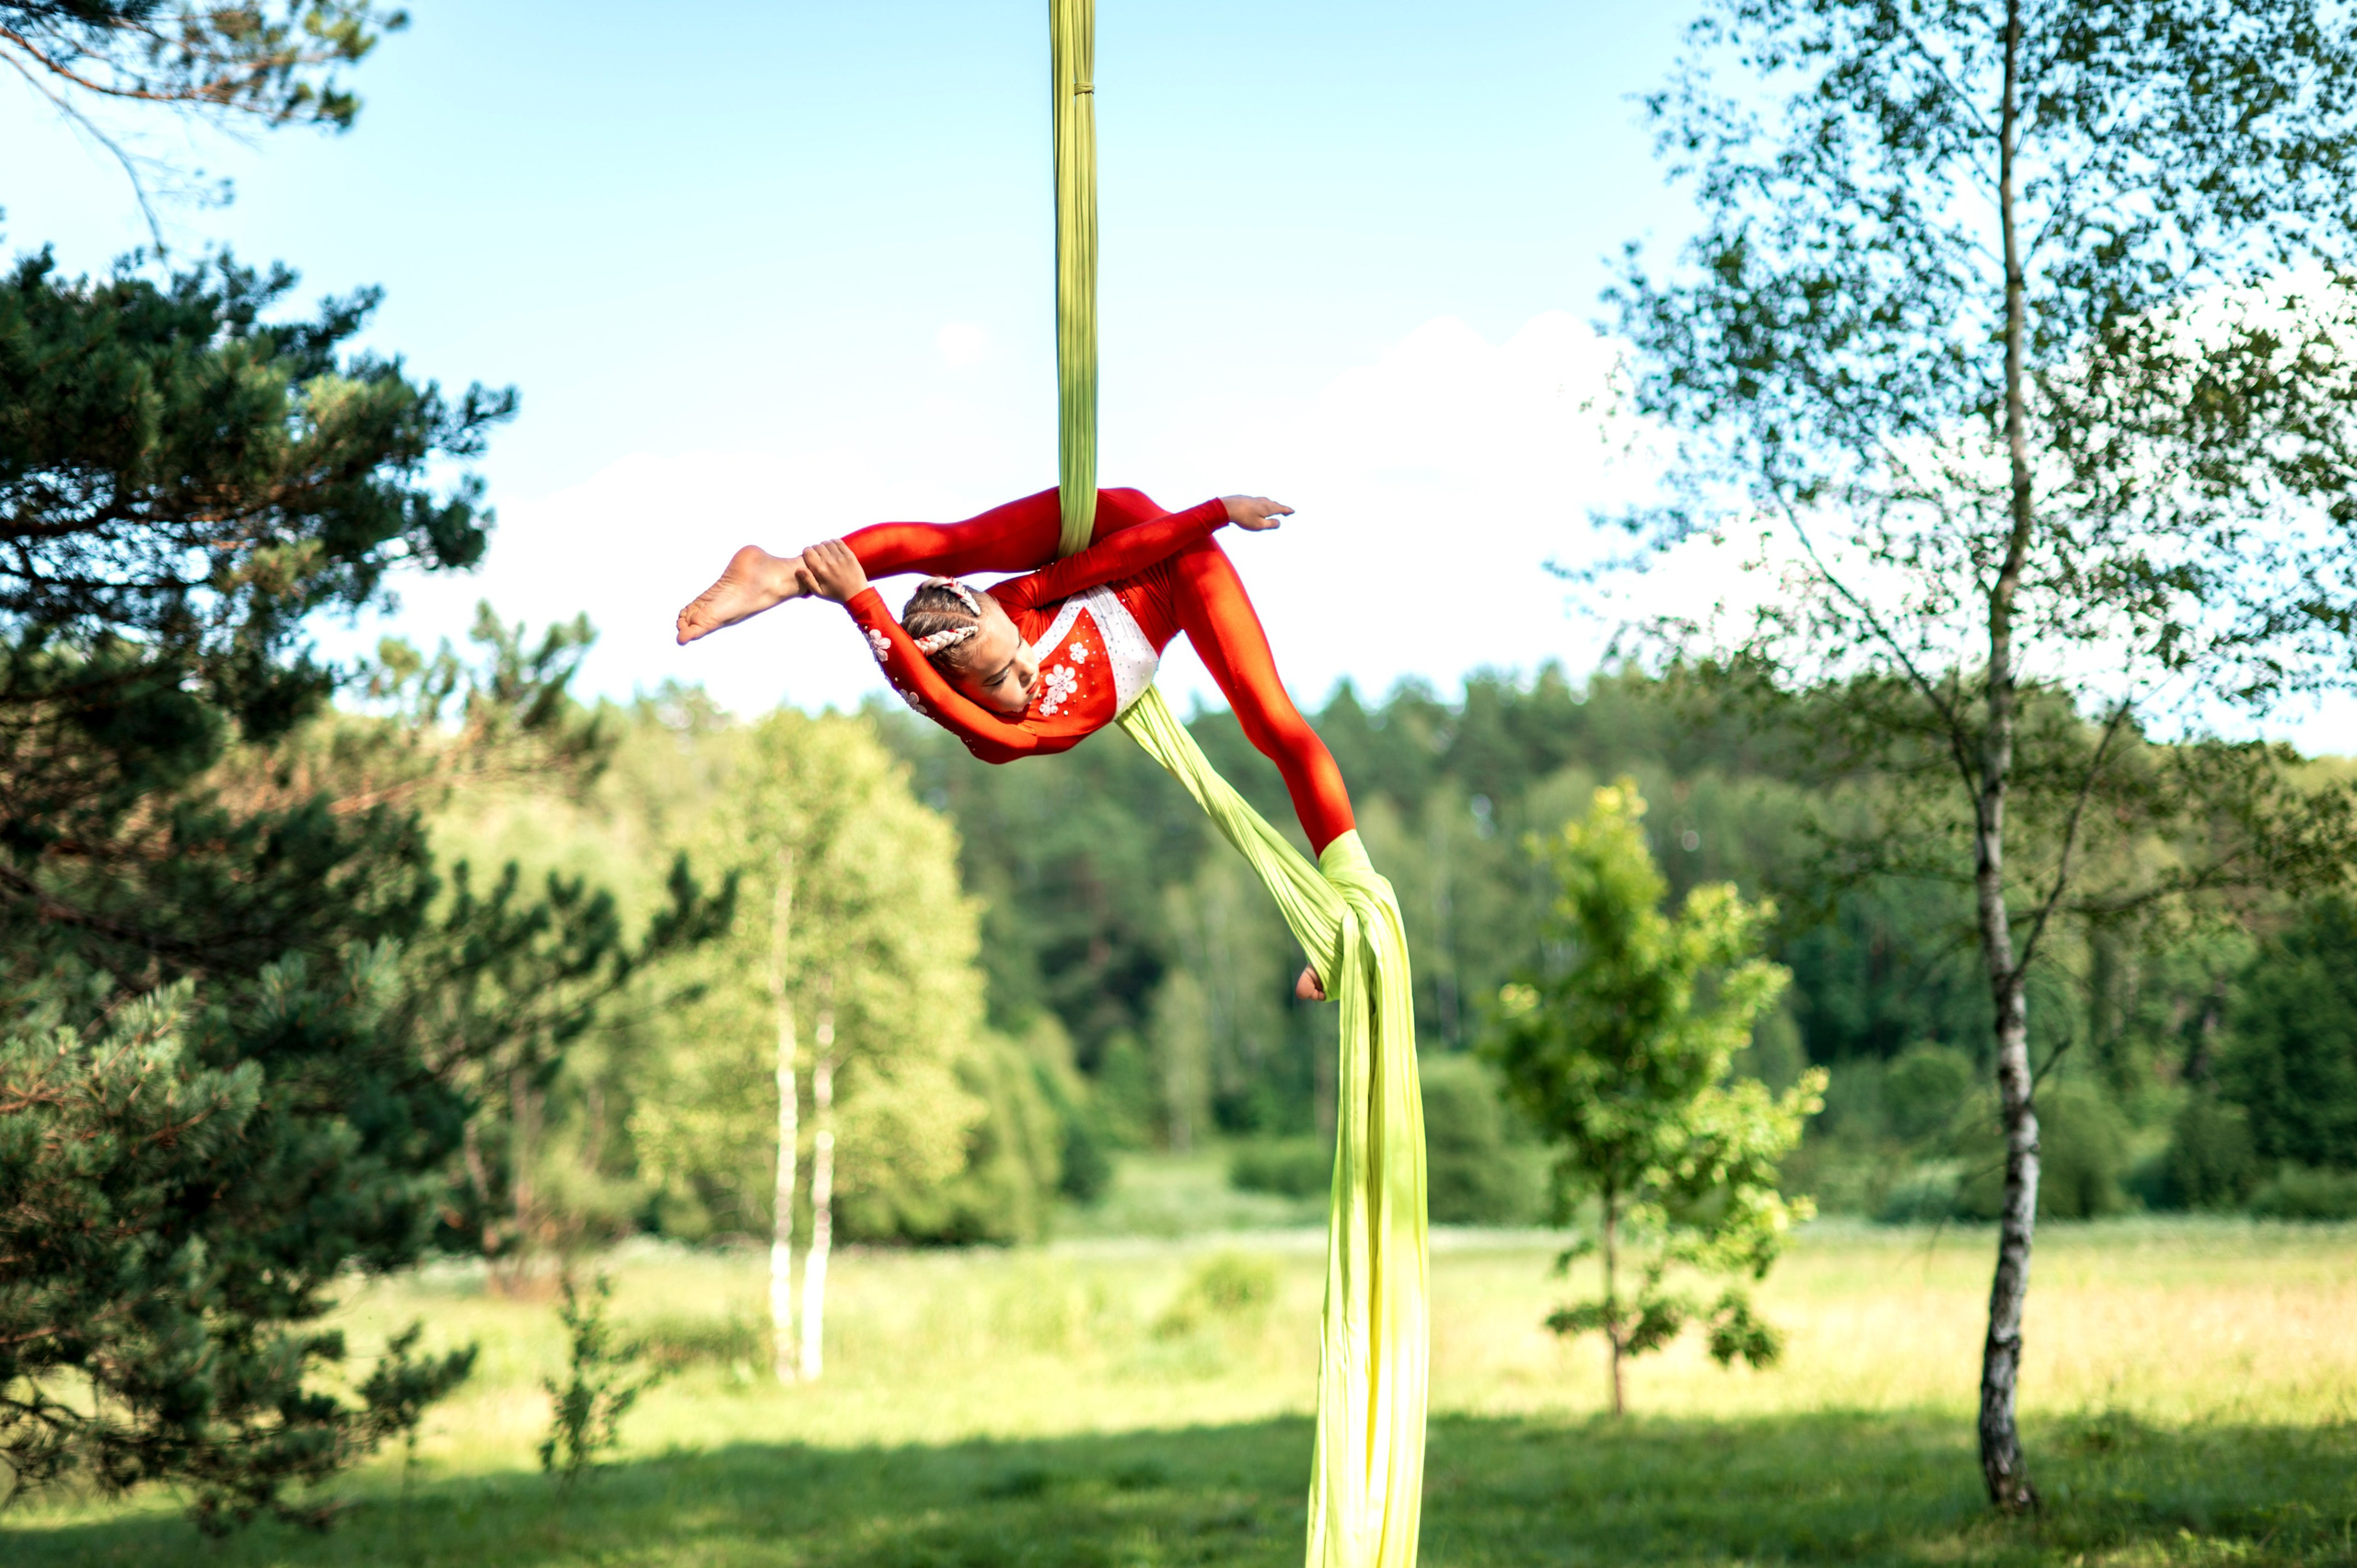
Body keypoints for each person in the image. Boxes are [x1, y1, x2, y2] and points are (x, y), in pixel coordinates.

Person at [675, 486, 1347, 998]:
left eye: (1016, 650)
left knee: (1273, 721)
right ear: (968, 693)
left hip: (1146, 540)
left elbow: (1111, 557)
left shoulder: (1015, 605)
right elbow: (928, 691)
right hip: (1169, 595)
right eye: (998, 677)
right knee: (1269, 723)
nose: (1027, 670)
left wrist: (1218, 512)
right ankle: (1335, 930)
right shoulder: (997, 733)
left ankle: (1351, 897)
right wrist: (861, 603)